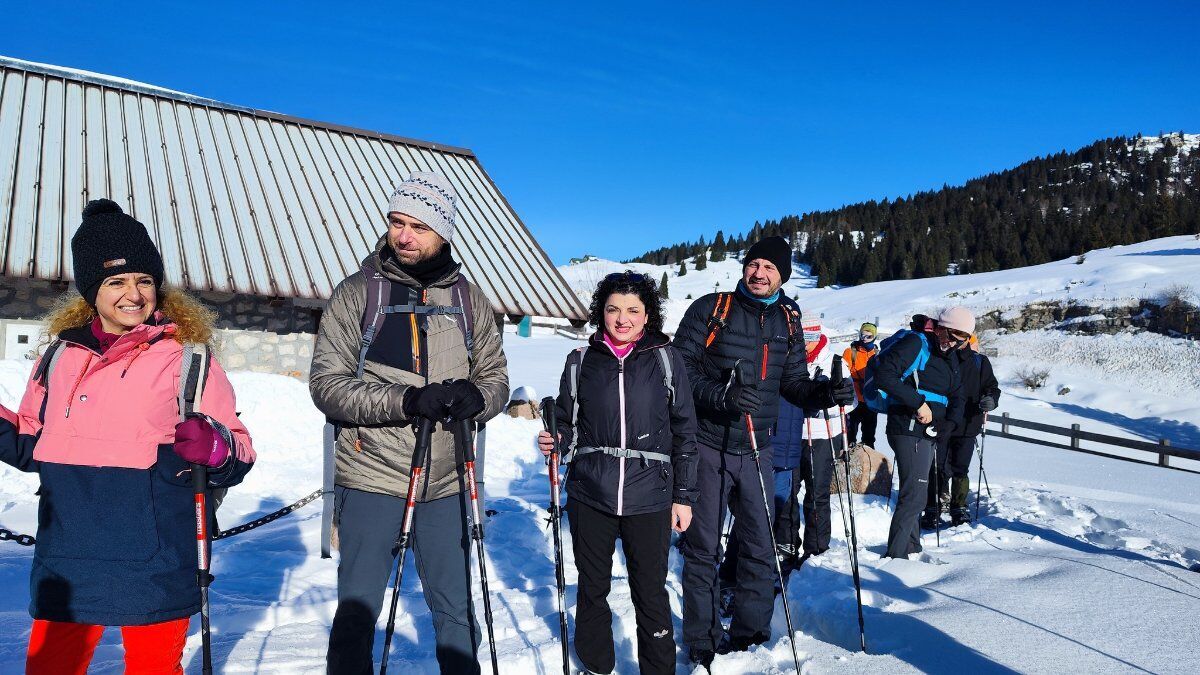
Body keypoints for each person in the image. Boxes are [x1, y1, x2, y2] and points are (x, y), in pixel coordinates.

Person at [0, 199, 256, 675]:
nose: (133, 294)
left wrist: (215, 446)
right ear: (90, 291)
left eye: (143, 281)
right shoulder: (58, 359)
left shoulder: (188, 360)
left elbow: (238, 449)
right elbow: (32, 444)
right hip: (68, 552)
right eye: (116, 281)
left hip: (157, 551)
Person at [311, 172, 509, 674]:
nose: (403, 235)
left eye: (418, 226)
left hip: (445, 481)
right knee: (359, 611)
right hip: (373, 473)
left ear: (443, 231)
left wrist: (476, 397)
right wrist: (407, 400)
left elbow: (497, 381)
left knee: (456, 611)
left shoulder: (468, 300)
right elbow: (327, 386)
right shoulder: (358, 294)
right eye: (397, 222)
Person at [672, 236, 854, 666]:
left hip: (759, 449)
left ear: (783, 276)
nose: (759, 273)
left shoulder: (788, 320)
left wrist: (826, 393)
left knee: (759, 544)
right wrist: (721, 396)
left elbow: (793, 383)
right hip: (707, 443)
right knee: (703, 549)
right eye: (754, 264)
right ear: (744, 268)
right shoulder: (711, 309)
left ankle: (750, 636)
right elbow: (679, 370)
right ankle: (701, 638)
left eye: (770, 268)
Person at [538, 271, 698, 675]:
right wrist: (555, 439)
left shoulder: (665, 357)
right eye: (613, 309)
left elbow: (685, 430)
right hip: (591, 492)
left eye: (632, 310)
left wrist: (684, 495)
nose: (622, 319)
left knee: (650, 591)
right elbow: (568, 424)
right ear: (601, 313)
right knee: (593, 587)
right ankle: (596, 664)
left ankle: (658, 669)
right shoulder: (580, 361)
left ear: (647, 316)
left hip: (651, 495)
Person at [716, 314, 838, 605]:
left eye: (807, 338)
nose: (802, 344)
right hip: (761, 446)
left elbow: (806, 400)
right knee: (753, 517)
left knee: (770, 516)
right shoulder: (772, 357)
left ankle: (757, 574)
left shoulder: (804, 367)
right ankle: (731, 577)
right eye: (799, 337)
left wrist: (829, 393)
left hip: (788, 452)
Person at [873, 307, 968, 559]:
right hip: (908, 427)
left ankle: (912, 549)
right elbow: (885, 376)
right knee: (914, 495)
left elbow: (958, 395)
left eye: (961, 340)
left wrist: (951, 424)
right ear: (940, 327)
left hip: (930, 432)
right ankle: (896, 556)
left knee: (918, 493)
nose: (952, 343)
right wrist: (917, 403)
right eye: (951, 335)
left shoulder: (951, 357)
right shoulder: (917, 343)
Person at [923, 335, 1001, 527]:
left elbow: (992, 387)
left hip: (968, 423)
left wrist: (991, 399)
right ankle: (932, 506)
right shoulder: (940, 357)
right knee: (936, 466)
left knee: (960, 467)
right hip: (942, 421)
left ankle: (959, 507)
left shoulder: (979, 362)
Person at [843, 322, 879, 447]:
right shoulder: (850, 352)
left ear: (874, 337)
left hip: (871, 401)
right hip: (854, 402)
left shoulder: (878, 354)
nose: (864, 339)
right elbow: (843, 375)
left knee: (869, 438)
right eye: (862, 335)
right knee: (849, 437)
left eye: (868, 336)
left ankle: (868, 462)